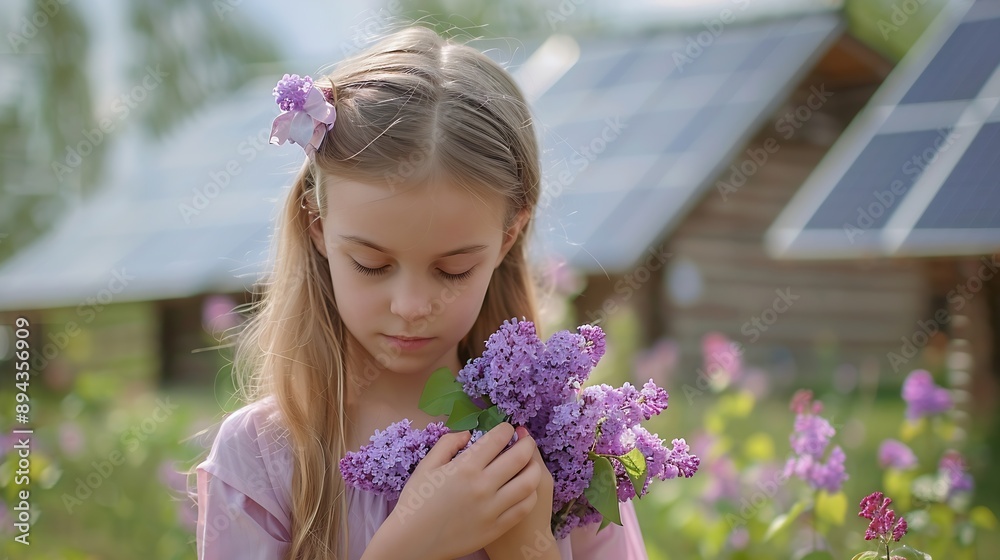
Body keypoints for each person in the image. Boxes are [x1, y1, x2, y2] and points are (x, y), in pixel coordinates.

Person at [193, 24, 649, 560]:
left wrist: (529, 547)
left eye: (453, 270)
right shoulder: (262, 459)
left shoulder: (562, 443)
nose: (410, 307)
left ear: (507, 239)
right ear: (317, 227)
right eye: (370, 264)